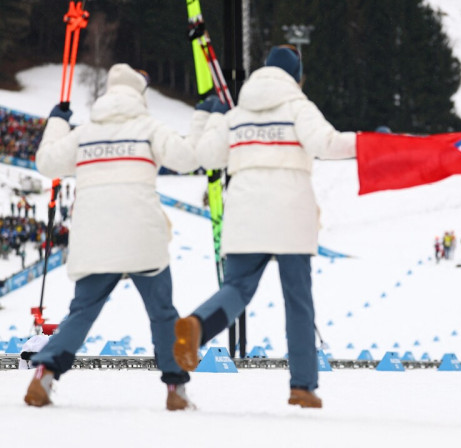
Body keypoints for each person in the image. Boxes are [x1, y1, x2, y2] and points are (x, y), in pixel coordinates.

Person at [172, 45, 356, 409]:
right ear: (296, 76)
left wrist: (213, 118)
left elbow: (206, 157)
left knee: (238, 288)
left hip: (243, 208)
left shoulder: (236, 114)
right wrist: (370, 144)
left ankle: (198, 325)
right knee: (297, 300)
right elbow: (328, 143)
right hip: (290, 210)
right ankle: (302, 386)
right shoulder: (298, 107)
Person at [24, 63, 199, 410]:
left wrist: (57, 122)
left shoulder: (85, 132)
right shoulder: (149, 127)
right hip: (142, 239)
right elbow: (187, 159)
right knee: (163, 314)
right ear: (139, 95)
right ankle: (175, 391)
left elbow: (46, 162)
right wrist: (204, 119)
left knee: (81, 312)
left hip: (94, 240)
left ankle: (44, 374)